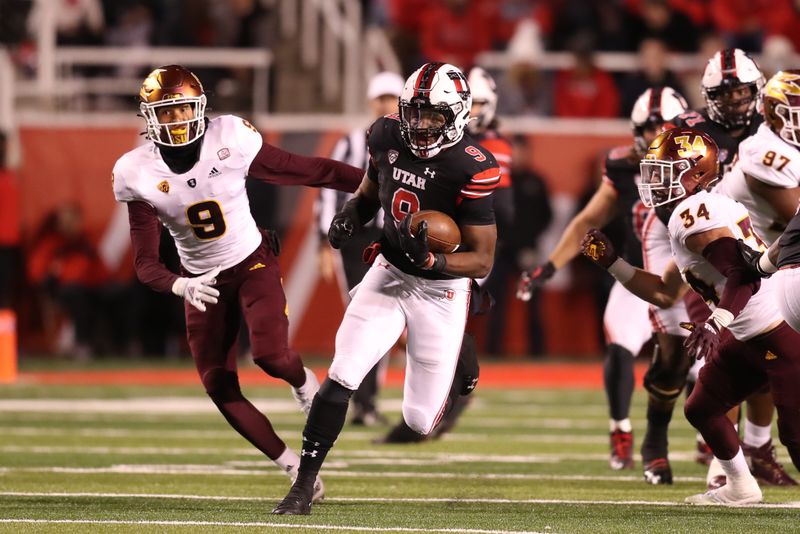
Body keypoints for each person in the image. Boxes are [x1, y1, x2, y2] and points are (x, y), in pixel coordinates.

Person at [111, 65, 364, 502]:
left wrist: (371, 184)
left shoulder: (229, 136)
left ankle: (303, 382)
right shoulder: (135, 171)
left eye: (184, 109)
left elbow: (307, 169)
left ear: (201, 108)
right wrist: (181, 286)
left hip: (251, 262)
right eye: (166, 113)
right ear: (149, 117)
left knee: (269, 355)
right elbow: (146, 264)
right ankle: (293, 467)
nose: (177, 121)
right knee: (218, 385)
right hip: (200, 282)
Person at [272, 62, 499, 515]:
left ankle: (462, 346)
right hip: (390, 269)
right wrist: (348, 218)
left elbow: (482, 259)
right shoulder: (385, 135)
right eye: (413, 113)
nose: (420, 124)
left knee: (419, 420)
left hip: (443, 288)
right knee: (343, 373)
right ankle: (303, 484)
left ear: (457, 114)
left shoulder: (471, 166)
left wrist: (434, 259)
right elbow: (369, 193)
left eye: (432, 115)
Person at [581, 126, 800, 505]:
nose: (653, 180)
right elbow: (665, 293)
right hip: (751, 332)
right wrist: (613, 263)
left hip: (774, 331)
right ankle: (740, 487)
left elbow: (743, 274)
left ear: (697, 175)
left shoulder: (691, 214)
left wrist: (716, 322)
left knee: (796, 436)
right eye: (653, 170)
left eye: (665, 171)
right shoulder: (689, 214)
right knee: (703, 407)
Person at [517, 86, 688, 480]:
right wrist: (550, 267)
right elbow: (585, 221)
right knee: (620, 347)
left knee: (698, 365)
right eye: (650, 128)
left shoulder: (704, 165)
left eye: (665, 126)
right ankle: (621, 430)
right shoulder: (624, 165)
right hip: (637, 275)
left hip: (687, 281)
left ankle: (714, 442)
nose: (657, 135)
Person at [670, 49, 795, 487]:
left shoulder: (770, 131)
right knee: (729, 359)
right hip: (724, 253)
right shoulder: (691, 133)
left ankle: (755, 450)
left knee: (757, 361)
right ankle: (727, 462)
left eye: (743, 90)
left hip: (757, 256)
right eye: (727, 92)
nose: (737, 99)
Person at [377, 66, 511, 444]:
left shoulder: (489, 151)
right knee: (418, 328)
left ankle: (437, 411)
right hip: (420, 244)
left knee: (447, 335)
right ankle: (430, 410)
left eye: (484, 102)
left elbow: (504, 213)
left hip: (461, 248)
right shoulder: (418, 138)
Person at [316, 71, 405, 426]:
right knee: (364, 317)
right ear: (371, 101)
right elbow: (328, 191)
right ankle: (359, 401)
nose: (385, 105)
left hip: (395, 239)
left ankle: (366, 401)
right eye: (380, 98)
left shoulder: (416, 142)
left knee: (384, 320)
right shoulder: (353, 141)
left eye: (391, 98)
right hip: (356, 240)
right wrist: (325, 240)